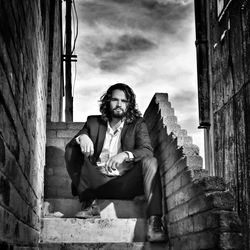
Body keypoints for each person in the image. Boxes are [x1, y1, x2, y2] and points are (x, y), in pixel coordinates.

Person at [65, 83, 167, 242]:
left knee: (151, 161)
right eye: (115, 100)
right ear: (107, 102)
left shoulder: (137, 124)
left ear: (129, 104)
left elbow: (146, 150)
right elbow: (77, 140)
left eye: (124, 101)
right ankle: (89, 204)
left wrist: (125, 155)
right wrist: (82, 137)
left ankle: (155, 223)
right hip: (97, 182)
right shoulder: (93, 122)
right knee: (72, 149)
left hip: (125, 183)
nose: (119, 104)